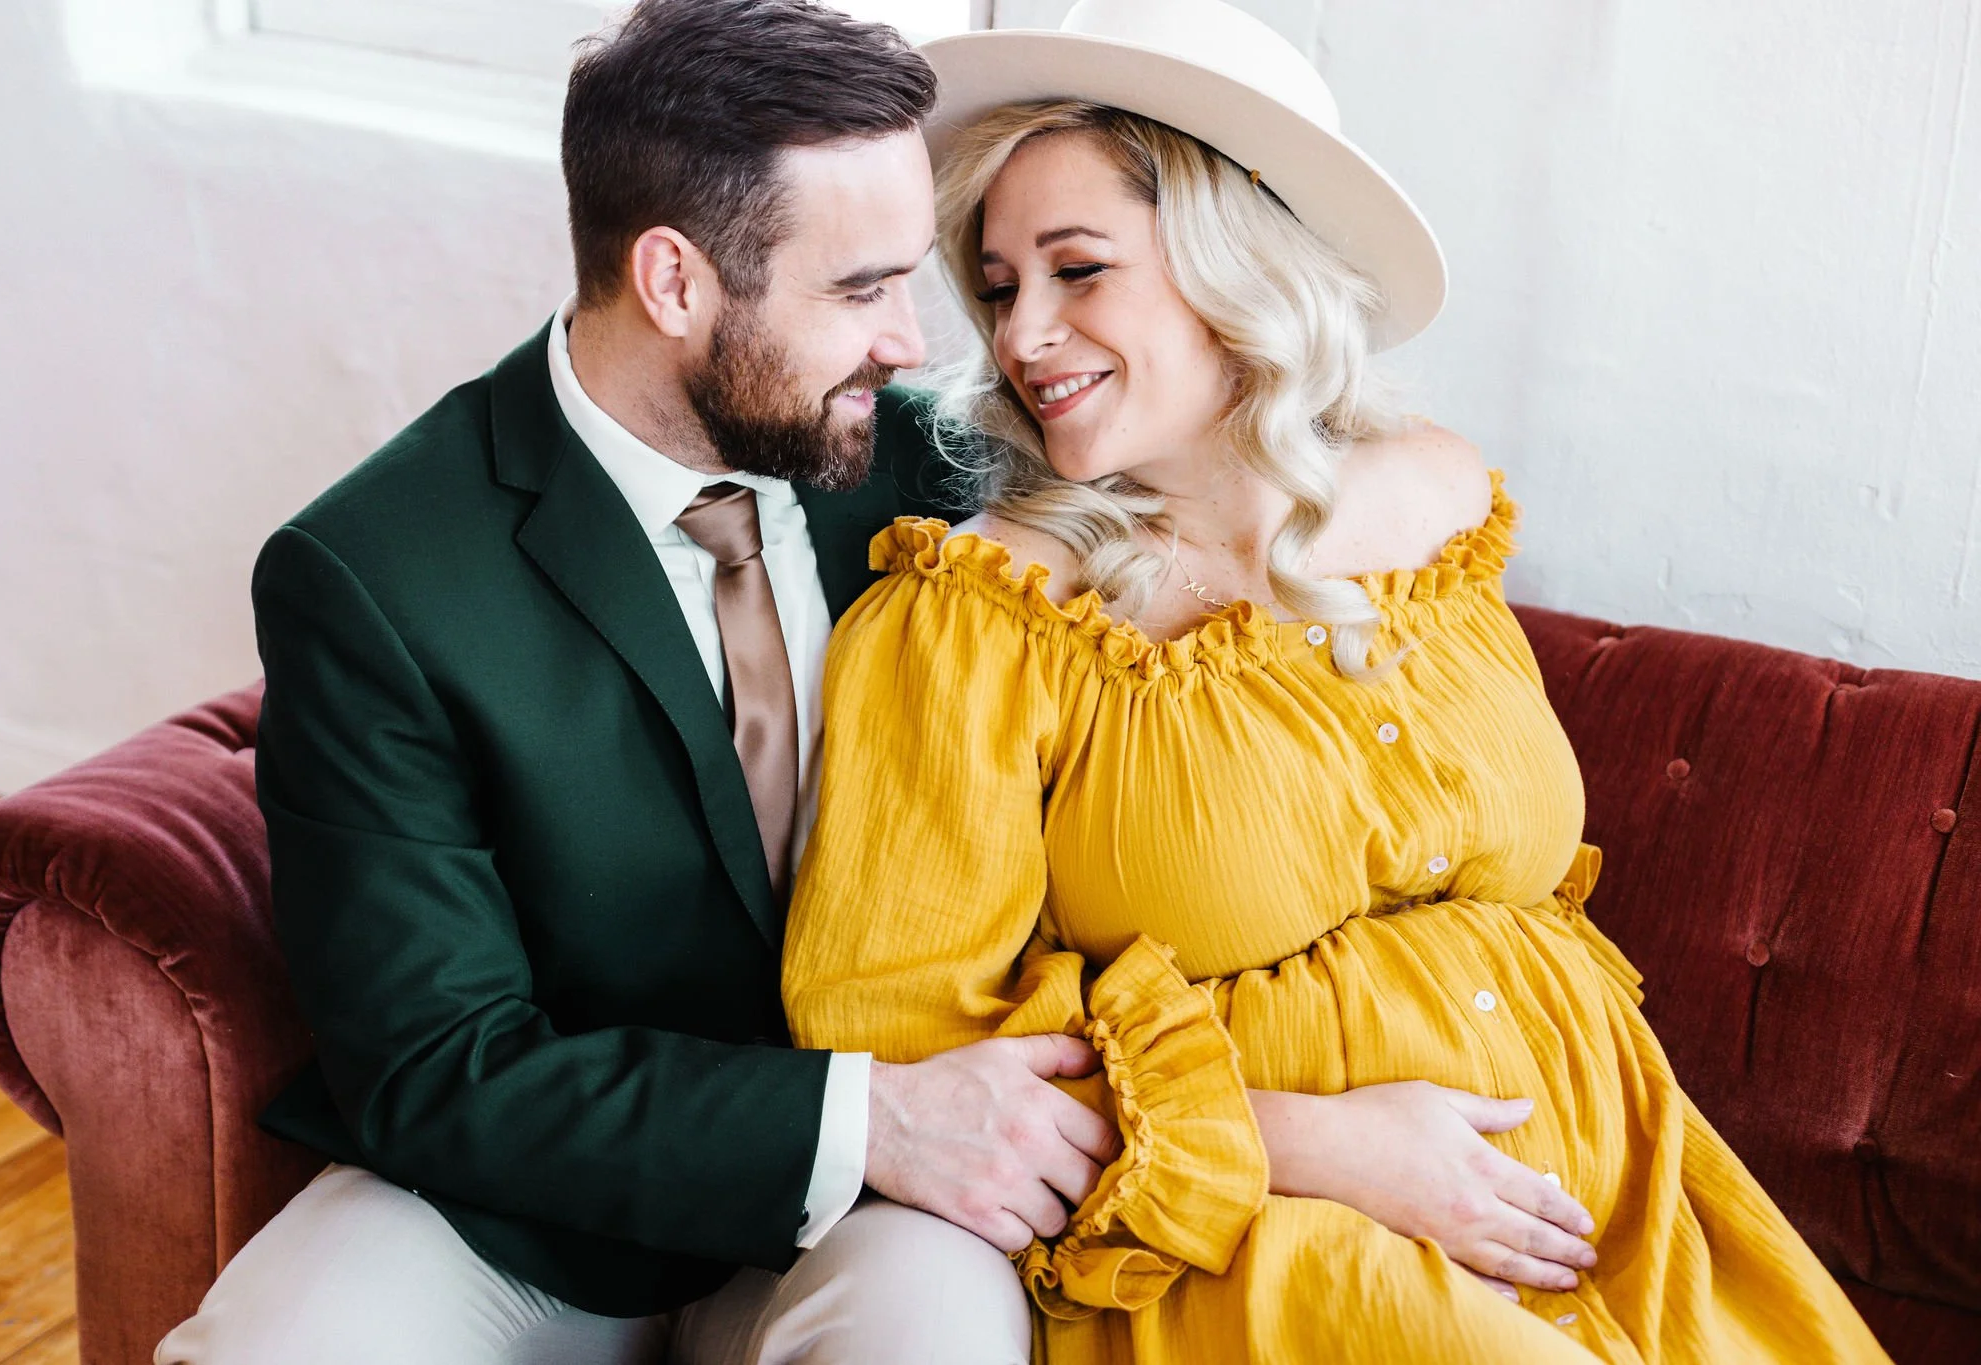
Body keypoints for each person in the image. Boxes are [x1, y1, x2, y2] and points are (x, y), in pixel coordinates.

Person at [781, 1, 1894, 1360]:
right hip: (1266, 1243)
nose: (1022, 339)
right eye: (1002, 288)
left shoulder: (1432, 500)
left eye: (1079, 271)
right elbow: (906, 1048)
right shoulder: (973, 617)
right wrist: (1319, 1143)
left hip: (1623, 1186)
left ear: (1230, 259)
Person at [156, 3, 1123, 1361]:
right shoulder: (371, 575)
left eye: (917, 282)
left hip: (896, 1193)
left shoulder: (943, 477)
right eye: (858, 290)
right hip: (527, 1205)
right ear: (674, 282)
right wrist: (858, 1116)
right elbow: (429, 1061)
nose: (912, 344)